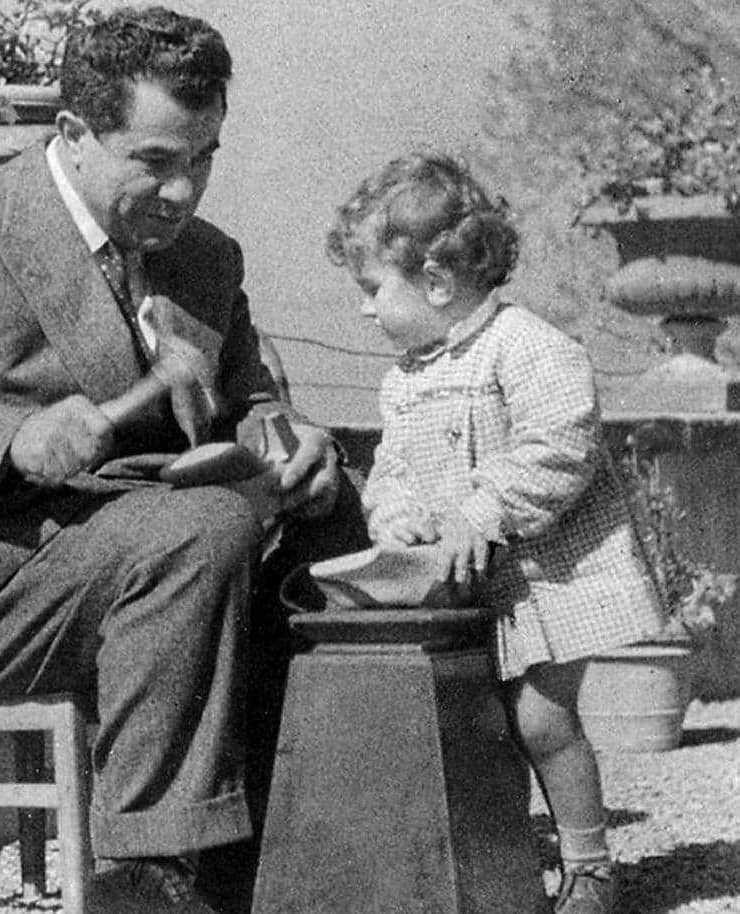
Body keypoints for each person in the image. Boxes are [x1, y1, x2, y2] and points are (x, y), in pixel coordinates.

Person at [0, 6, 366, 912]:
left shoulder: (208, 259)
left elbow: (251, 397)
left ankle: (306, 842)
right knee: (204, 530)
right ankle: (154, 878)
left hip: (164, 550)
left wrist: (287, 442)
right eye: (154, 161)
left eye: (205, 157)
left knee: (333, 511)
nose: (184, 193)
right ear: (74, 132)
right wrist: (8, 439)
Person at [324, 151, 665, 914]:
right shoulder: (405, 379)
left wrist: (485, 507)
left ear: (437, 283)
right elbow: (396, 468)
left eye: (373, 290)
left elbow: (561, 444)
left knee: (542, 719)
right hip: (478, 588)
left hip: (550, 579)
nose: (365, 311)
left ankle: (591, 868)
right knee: (483, 721)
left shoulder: (529, 346)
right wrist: (395, 511)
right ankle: (500, 866)